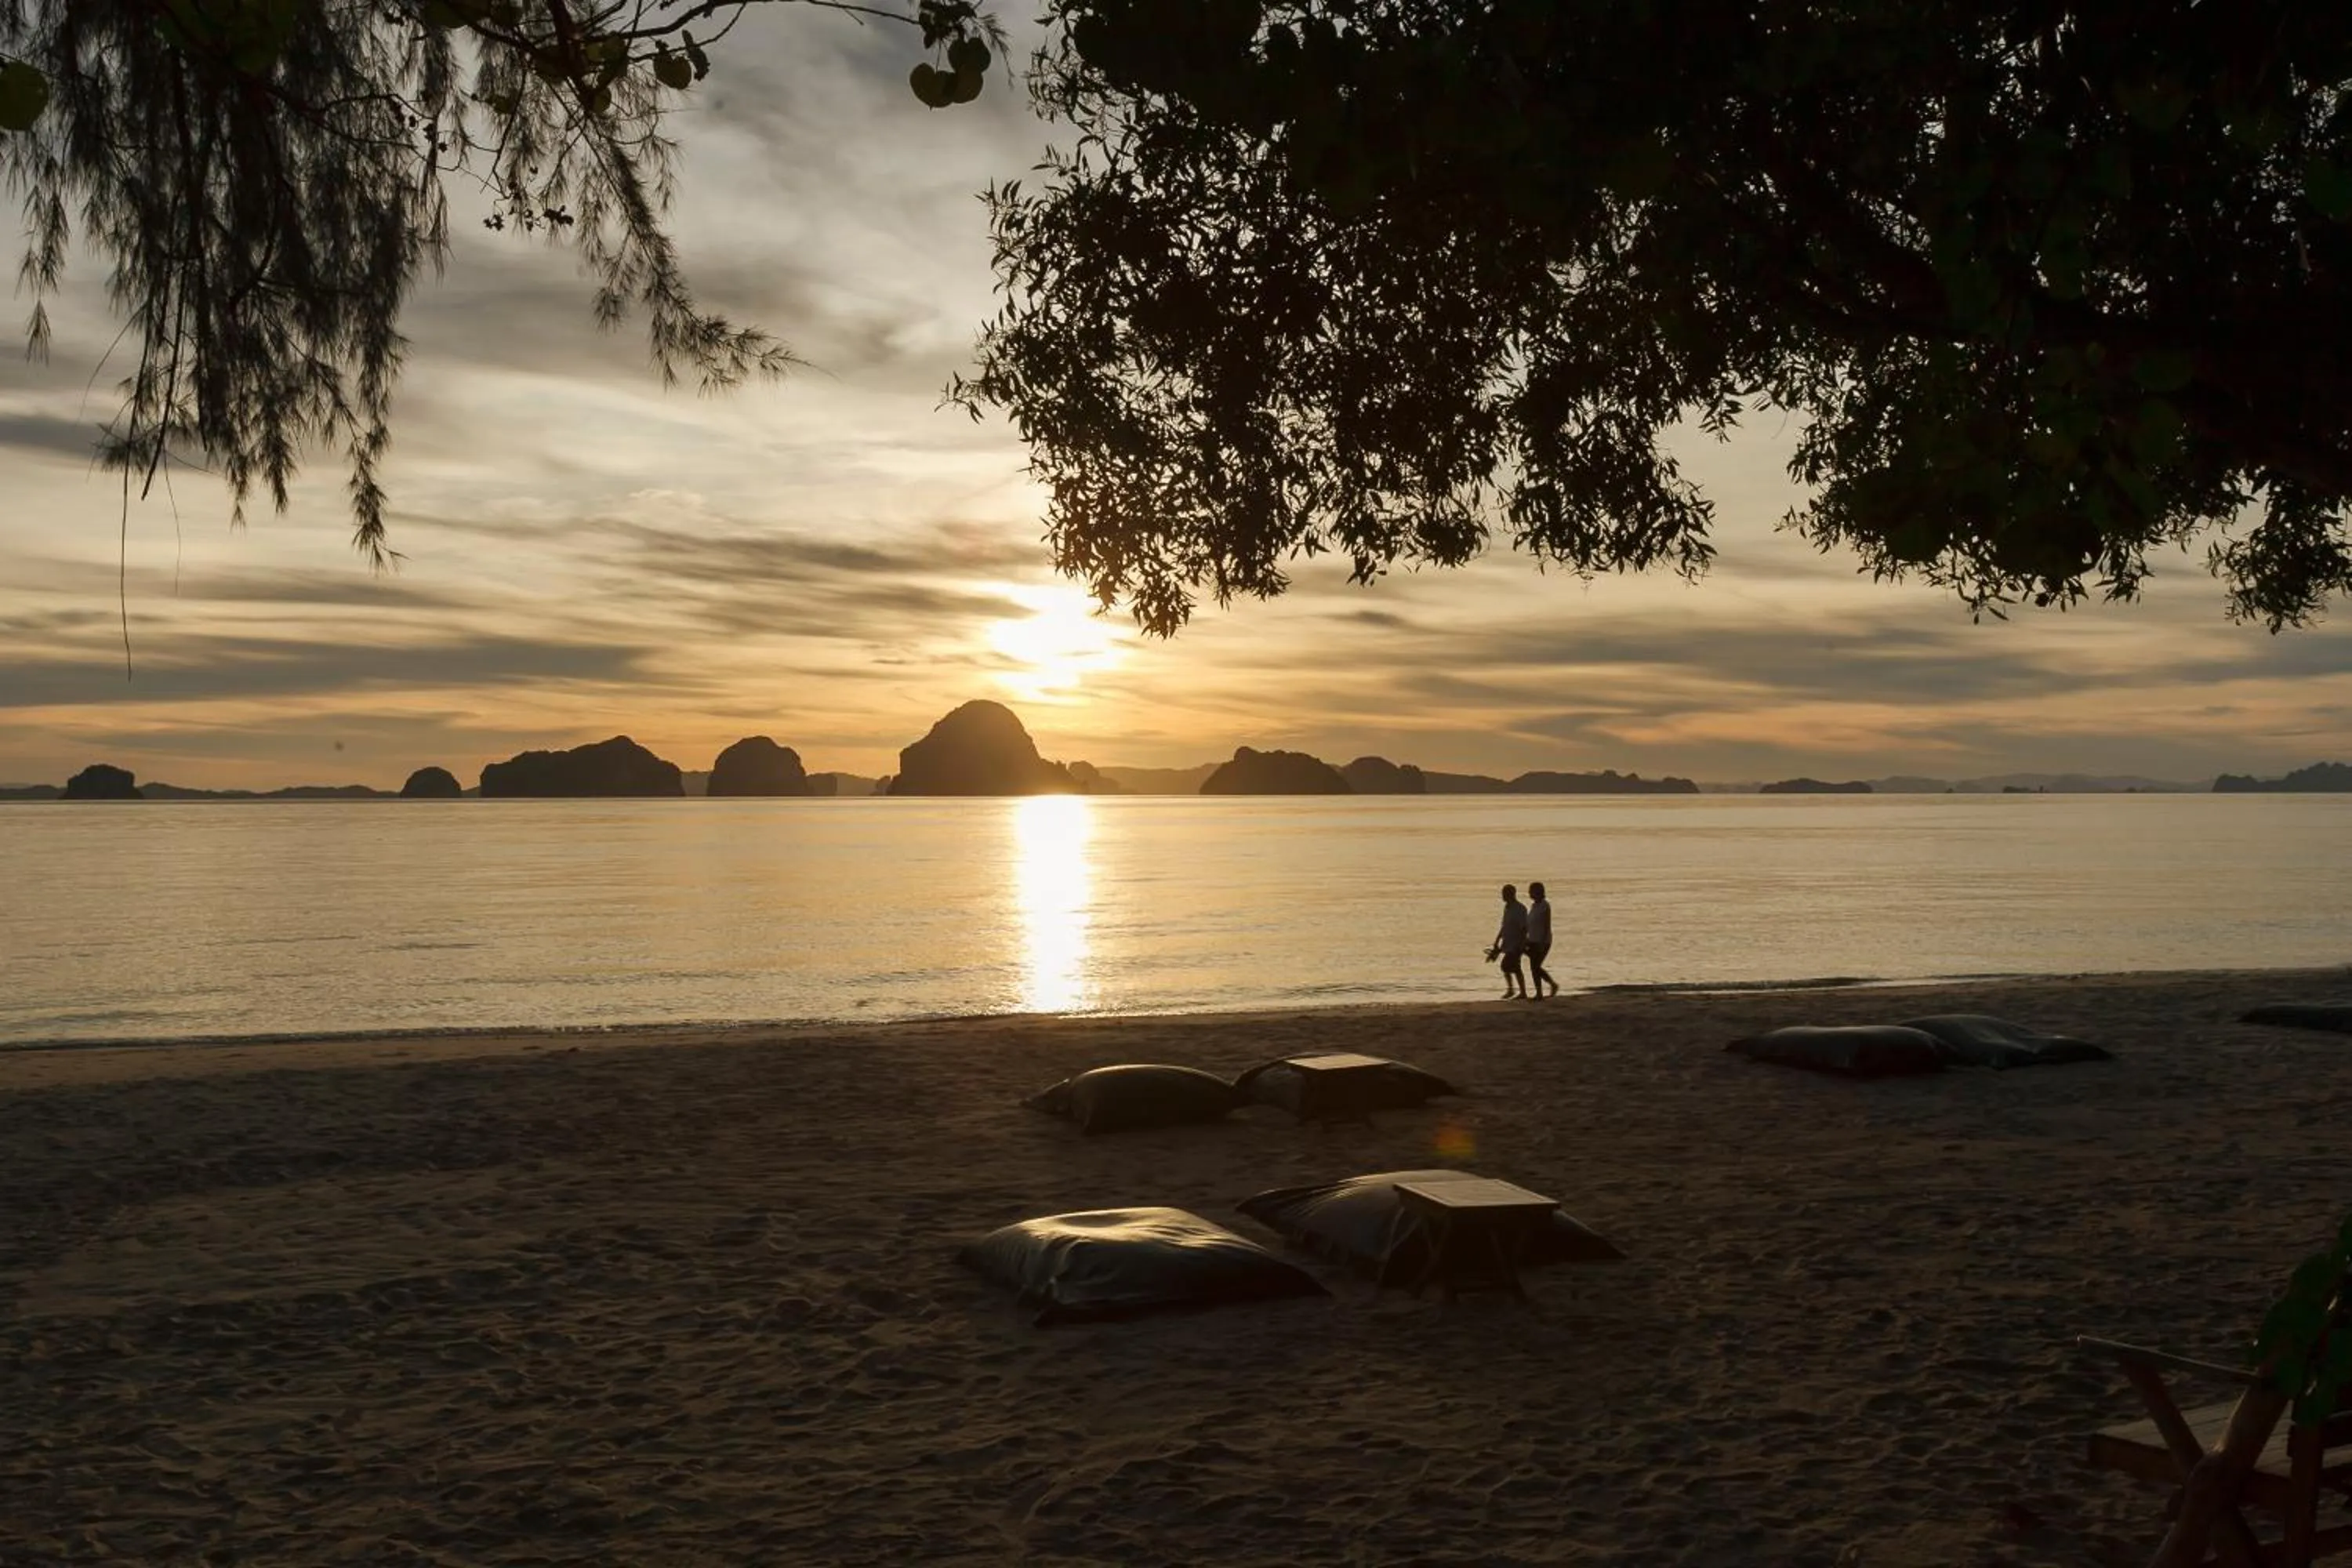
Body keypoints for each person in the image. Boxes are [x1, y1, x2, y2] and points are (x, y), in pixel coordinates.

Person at [1486, 884, 1529, 1000]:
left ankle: (1518, 991)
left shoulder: (1520, 909)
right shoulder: (1507, 908)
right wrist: (1497, 940)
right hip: (1507, 942)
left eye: (1505, 894)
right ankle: (1515, 991)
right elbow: (1504, 926)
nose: (1503, 896)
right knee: (1512, 967)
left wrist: (1521, 944)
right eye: (1503, 894)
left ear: (1512, 894)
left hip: (1516, 943)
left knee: (1508, 966)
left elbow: (1524, 928)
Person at [1525, 880, 1559, 999]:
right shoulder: (1533, 906)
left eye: (1531, 891)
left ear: (1538, 892)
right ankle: (1549, 987)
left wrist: (1543, 943)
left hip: (1543, 941)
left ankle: (1542, 991)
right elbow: (1530, 924)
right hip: (1532, 940)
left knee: (1535, 966)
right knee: (1535, 967)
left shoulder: (1545, 906)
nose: (1529, 893)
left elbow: (1546, 925)